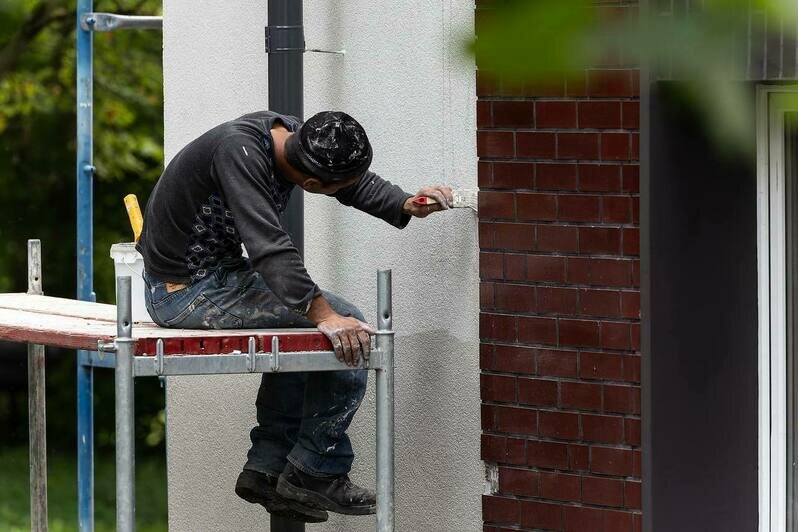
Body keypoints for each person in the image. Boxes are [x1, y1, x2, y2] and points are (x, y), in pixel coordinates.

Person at [136, 110, 452, 523]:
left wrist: (405, 203)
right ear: (311, 185)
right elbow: (268, 246)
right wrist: (324, 314)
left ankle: (267, 467)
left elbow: (353, 184)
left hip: (220, 275)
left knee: (309, 333)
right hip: (186, 293)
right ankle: (317, 468)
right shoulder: (241, 153)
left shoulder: (289, 133)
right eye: (334, 187)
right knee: (348, 330)